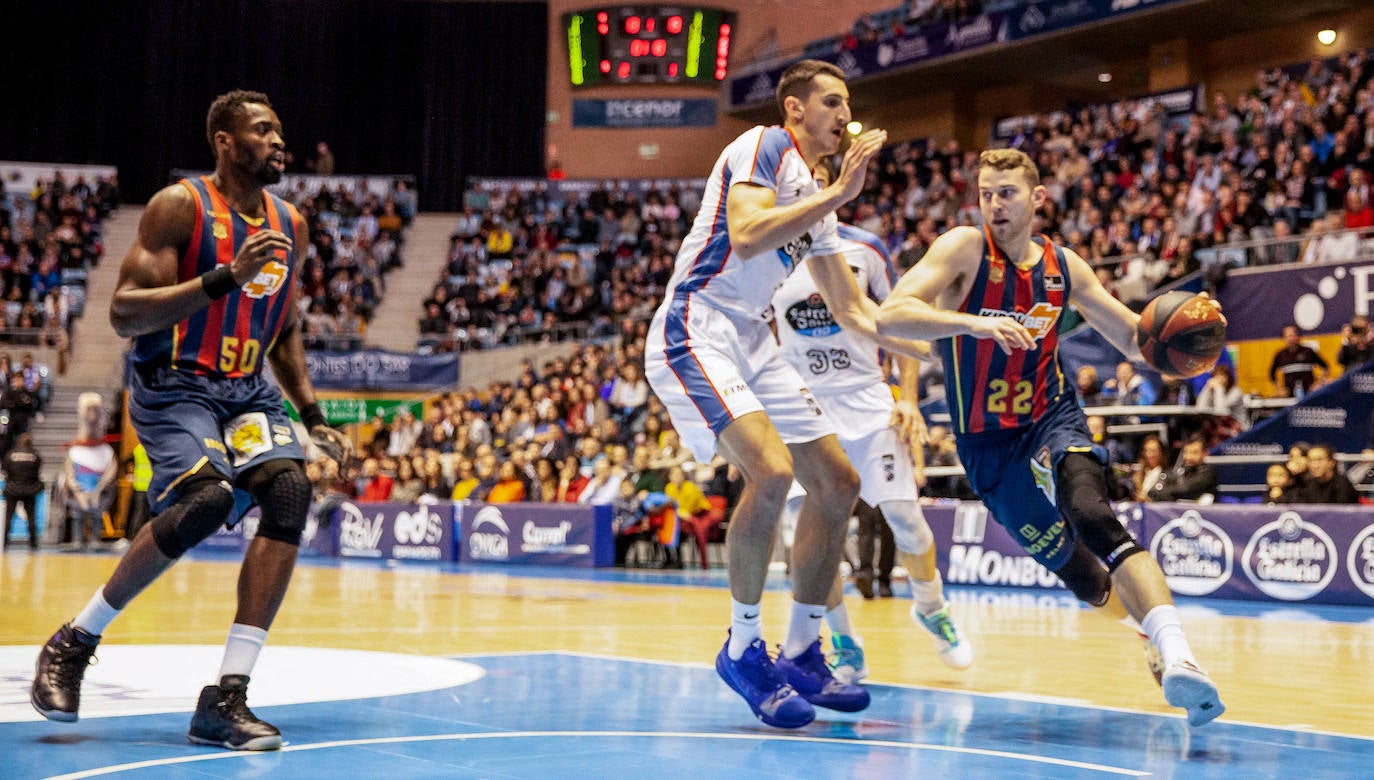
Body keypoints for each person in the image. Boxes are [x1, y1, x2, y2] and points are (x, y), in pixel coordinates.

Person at [30, 91, 351, 751]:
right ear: (225, 142)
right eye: (261, 130)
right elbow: (124, 314)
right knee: (205, 500)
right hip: (174, 384)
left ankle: (225, 698)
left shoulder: (290, 224)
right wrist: (223, 277)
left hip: (248, 389)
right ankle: (75, 640)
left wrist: (313, 414)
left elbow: (285, 327)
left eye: (279, 130)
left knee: (290, 491)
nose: (277, 140)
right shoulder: (180, 207)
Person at [875, 148, 1226, 727]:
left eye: (1007, 193)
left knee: (1092, 513)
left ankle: (1181, 656)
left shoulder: (1065, 268)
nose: (995, 205)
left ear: (1038, 198)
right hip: (987, 445)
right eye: (986, 194)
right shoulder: (964, 249)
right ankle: (1147, 635)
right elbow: (891, 315)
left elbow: (1135, 340)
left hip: (1050, 416)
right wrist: (973, 323)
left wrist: (1195, 328)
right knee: (1084, 577)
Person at [643, 59, 890, 728]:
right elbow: (748, 235)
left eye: (848, 103)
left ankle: (804, 651)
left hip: (754, 337)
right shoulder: (764, 145)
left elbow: (855, 310)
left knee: (837, 483)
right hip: (698, 323)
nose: (844, 114)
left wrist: (952, 336)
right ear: (795, 109)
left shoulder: (817, 195)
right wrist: (838, 195)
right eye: (831, 102)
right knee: (774, 472)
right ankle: (744, 649)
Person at [771, 200, 970, 675]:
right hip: (803, 408)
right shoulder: (767, 252)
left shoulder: (866, 249)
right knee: (811, 532)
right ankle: (844, 640)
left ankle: (931, 607)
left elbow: (902, 317)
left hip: (866, 400)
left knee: (906, 519)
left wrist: (908, 398)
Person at [2, 432, 42, 550]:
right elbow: (37, 472)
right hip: (30, 490)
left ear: (19, 442)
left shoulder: (11, 454)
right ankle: (33, 544)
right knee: (31, 518)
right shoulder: (35, 455)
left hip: (12, 489)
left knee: (8, 517)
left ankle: (4, 542)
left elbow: (6, 470)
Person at [1148, 436, 1219, 503]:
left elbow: (1185, 490)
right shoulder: (1181, 471)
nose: (1188, 457)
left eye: (1194, 453)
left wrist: (1163, 492)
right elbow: (1154, 490)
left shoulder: (1207, 473)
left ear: (1205, 453)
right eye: (1186, 452)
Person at [1288, 444, 1360, 504]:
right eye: (1311, 460)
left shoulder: (1342, 484)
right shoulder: (1308, 485)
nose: (1315, 465)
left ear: (1331, 462)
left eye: (1319, 460)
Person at [1269, 324, 1328, 397]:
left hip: (1309, 394)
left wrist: (1319, 383)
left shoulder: (1308, 351)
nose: (1290, 338)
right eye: (1288, 336)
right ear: (1284, 338)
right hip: (1289, 395)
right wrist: (1278, 389)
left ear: (1297, 336)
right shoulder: (1280, 355)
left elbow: (1325, 367)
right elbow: (1272, 373)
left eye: (1293, 335)